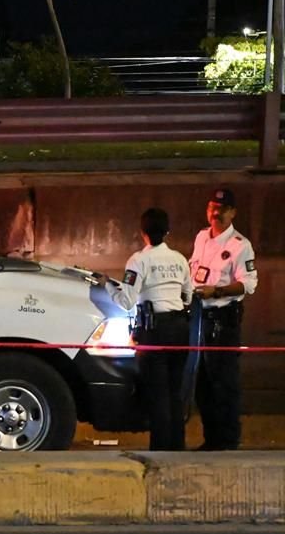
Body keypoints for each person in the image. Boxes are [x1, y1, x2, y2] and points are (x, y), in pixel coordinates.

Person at [94, 208, 192, 451]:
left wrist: (107, 285)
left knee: (157, 394)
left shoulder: (138, 260)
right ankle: (177, 448)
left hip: (154, 331)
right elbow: (188, 296)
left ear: (142, 233)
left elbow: (127, 301)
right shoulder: (180, 259)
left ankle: (160, 451)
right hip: (180, 329)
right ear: (167, 231)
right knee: (175, 392)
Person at [188, 188, 258, 450]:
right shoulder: (201, 238)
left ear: (233, 212)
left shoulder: (240, 245)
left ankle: (228, 441)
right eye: (212, 207)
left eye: (222, 209)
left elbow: (248, 284)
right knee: (202, 381)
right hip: (199, 317)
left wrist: (216, 291)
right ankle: (211, 439)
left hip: (223, 319)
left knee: (224, 381)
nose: (215, 213)